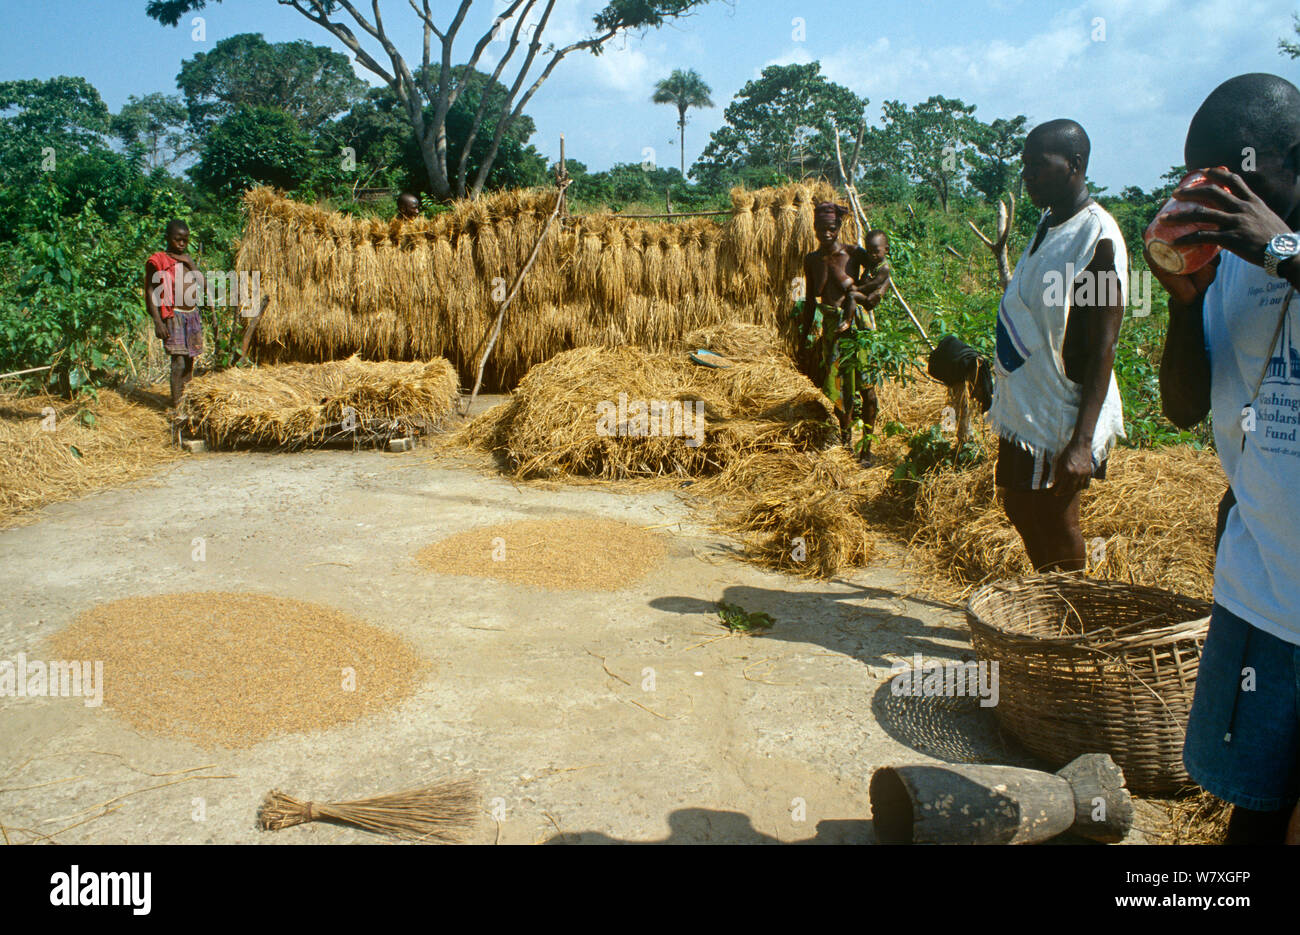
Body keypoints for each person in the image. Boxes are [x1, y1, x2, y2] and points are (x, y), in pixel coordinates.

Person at [1154, 72, 1300, 845]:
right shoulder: (1234, 263)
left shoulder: (1269, 244)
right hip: (1261, 593)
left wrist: (1279, 246)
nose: (1217, 199)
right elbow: (1181, 407)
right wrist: (1184, 300)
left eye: (1233, 179)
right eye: (1200, 181)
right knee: (1252, 810)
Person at [987, 118, 1127, 572]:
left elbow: (1104, 344)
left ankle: (1073, 624)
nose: (1026, 175)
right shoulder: (1050, 223)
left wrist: (1082, 443)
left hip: (1063, 411)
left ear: (1075, 165)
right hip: (1031, 404)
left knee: (1056, 517)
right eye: (1024, 165)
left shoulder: (1097, 240)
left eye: (1037, 165)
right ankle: (1055, 605)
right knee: (1023, 507)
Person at [799, 203, 886, 460]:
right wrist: (804, 337)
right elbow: (810, 301)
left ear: (838, 229)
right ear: (814, 229)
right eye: (821, 229)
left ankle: (867, 448)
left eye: (831, 228)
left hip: (858, 327)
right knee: (839, 390)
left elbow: (882, 273)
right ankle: (847, 443)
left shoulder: (854, 254)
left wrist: (877, 295)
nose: (826, 233)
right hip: (831, 328)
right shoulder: (811, 260)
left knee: (866, 389)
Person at [144, 219, 205, 408]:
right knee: (178, 363)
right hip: (174, 316)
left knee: (189, 363)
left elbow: (202, 285)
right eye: (177, 239)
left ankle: (185, 403)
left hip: (191, 315)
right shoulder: (158, 261)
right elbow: (150, 291)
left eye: (185, 240)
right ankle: (177, 405)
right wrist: (157, 322)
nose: (181, 244)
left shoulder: (186, 260)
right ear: (168, 238)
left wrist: (190, 262)